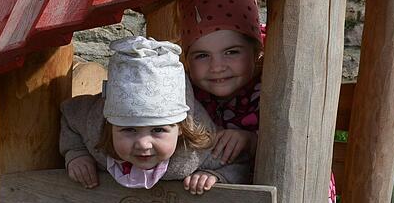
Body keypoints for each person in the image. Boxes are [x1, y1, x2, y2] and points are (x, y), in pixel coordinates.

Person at [178, 0, 336, 203]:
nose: (217, 67)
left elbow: (300, 140)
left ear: (256, 50)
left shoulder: (274, 84)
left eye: (232, 52)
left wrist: (253, 141)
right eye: (202, 55)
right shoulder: (189, 92)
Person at [60, 35, 251, 194]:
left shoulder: (199, 150)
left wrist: (216, 175)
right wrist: (76, 153)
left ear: (181, 128)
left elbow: (243, 165)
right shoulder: (95, 127)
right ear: (110, 126)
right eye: (129, 129)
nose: (143, 144)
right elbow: (70, 115)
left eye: (158, 129)